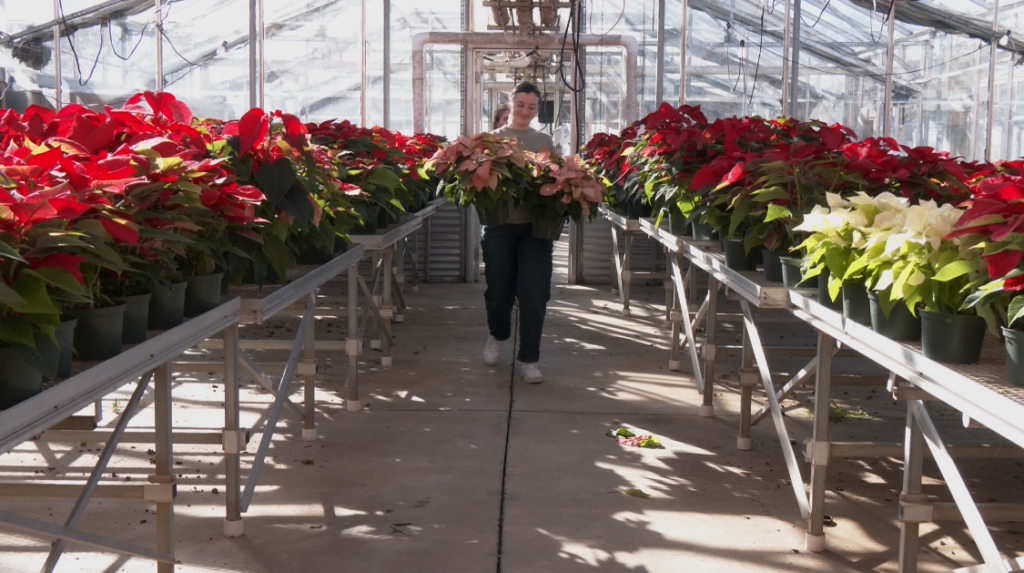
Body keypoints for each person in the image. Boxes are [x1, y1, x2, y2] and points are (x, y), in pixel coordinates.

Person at [482, 81, 555, 384]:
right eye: (520, 104)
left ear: (538, 109)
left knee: (534, 293)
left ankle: (530, 359)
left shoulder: (543, 140)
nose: (525, 111)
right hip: (500, 225)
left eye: (532, 106)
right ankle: (497, 335)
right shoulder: (491, 139)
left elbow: (554, 176)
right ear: (510, 103)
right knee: (498, 291)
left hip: (535, 227)